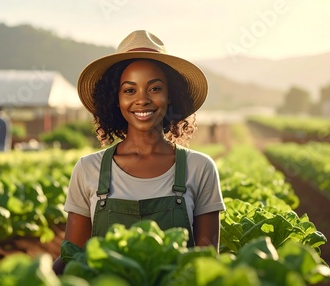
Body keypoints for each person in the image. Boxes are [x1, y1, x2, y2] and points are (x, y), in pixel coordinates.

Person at [53, 30, 225, 274]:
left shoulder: (200, 168)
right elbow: (73, 259)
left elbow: (207, 265)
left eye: (154, 89)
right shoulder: (87, 169)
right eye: (129, 90)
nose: (142, 100)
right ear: (115, 99)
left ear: (171, 95)